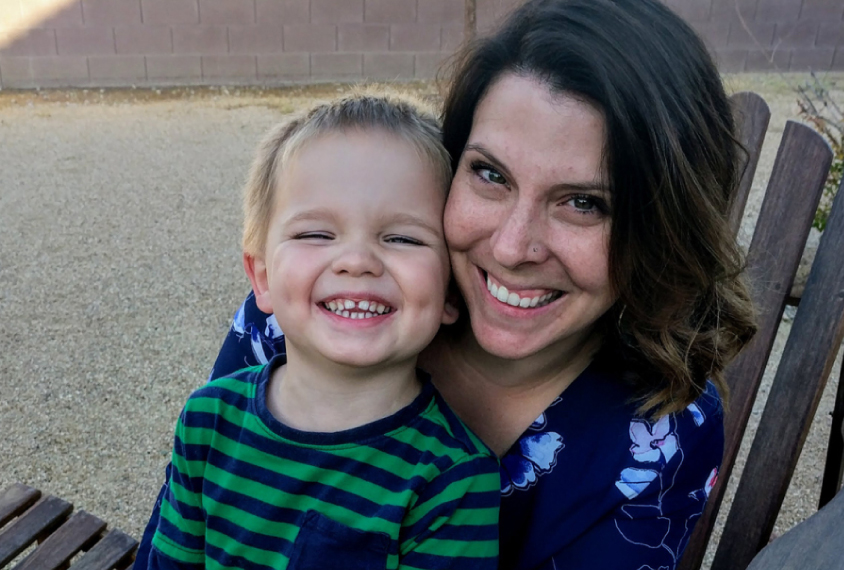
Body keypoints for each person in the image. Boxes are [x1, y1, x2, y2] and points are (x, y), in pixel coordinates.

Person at [137, 0, 757, 568]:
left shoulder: (660, 432)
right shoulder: (314, 316)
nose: (513, 248)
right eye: (490, 173)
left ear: (663, 233)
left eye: (586, 203)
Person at [145, 93, 501, 569]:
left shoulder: (454, 480)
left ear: (451, 293)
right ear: (264, 279)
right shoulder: (208, 421)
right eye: (316, 234)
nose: (357, 261)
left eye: (401, 238)